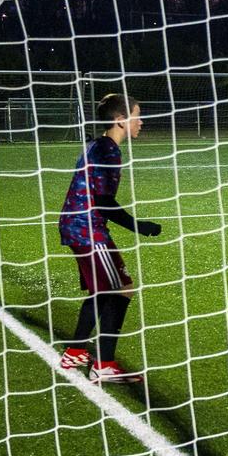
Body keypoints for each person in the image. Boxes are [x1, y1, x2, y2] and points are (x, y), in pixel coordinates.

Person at [58, 94, 163, 384]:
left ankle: (76, 351)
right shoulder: (108, 151)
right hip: (86, 228)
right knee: (119, 289)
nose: (140, 121)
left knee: (107, 290)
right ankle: (103, 364)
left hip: (78, 226)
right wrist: (138, 226)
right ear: (120, 119)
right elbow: (103, 200)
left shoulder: (98, 144)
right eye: (136, 115)